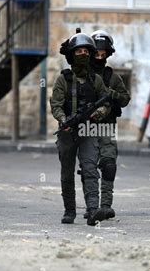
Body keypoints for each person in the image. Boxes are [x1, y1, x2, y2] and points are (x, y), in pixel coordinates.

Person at [50, 30, 110, 226]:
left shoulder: (96, 80)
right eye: (79, 51)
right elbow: (56, 105)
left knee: (90, 169)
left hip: (89, 131)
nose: (83, 54)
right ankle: (69, 210)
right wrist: (63, 120)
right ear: (71, 55)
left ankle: (93, 211)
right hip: (68, 133)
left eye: (86, 51)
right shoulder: (63, 80)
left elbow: (106, 103)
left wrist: (98, 114)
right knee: (67, 173)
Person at [81, 30, 131, 220]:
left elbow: (125, 99)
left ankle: (106, 206)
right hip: (86, 127)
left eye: (103, 54)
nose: (100, 57)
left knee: (109, 165)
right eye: (97, 54)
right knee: (88, 168)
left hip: (107, 127)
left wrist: (110, 95)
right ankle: (91, 207)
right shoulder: (83, 75)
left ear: (108, 54)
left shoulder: (112, 76)